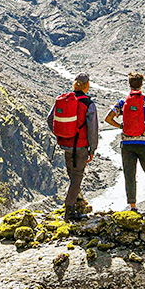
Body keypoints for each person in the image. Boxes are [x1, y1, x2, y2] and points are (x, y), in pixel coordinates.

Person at [105, 73, 145, 213]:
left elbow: (108, 118)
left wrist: (121, 127)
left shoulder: (122, 102)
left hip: (127, 143)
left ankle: (132, 206)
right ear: (141, 84)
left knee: (130, 175)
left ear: (129, 84)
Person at [49, 73, 99, 221]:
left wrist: (62, 134)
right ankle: (69, 210)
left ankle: (77, 203)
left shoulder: (64, 100)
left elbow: (50, 119)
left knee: (72, 175)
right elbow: (92, 130)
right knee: (77, 178)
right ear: (87, 85)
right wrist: (92, 149)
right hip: (81, 147)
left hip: (66, 145)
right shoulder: (88, 104)